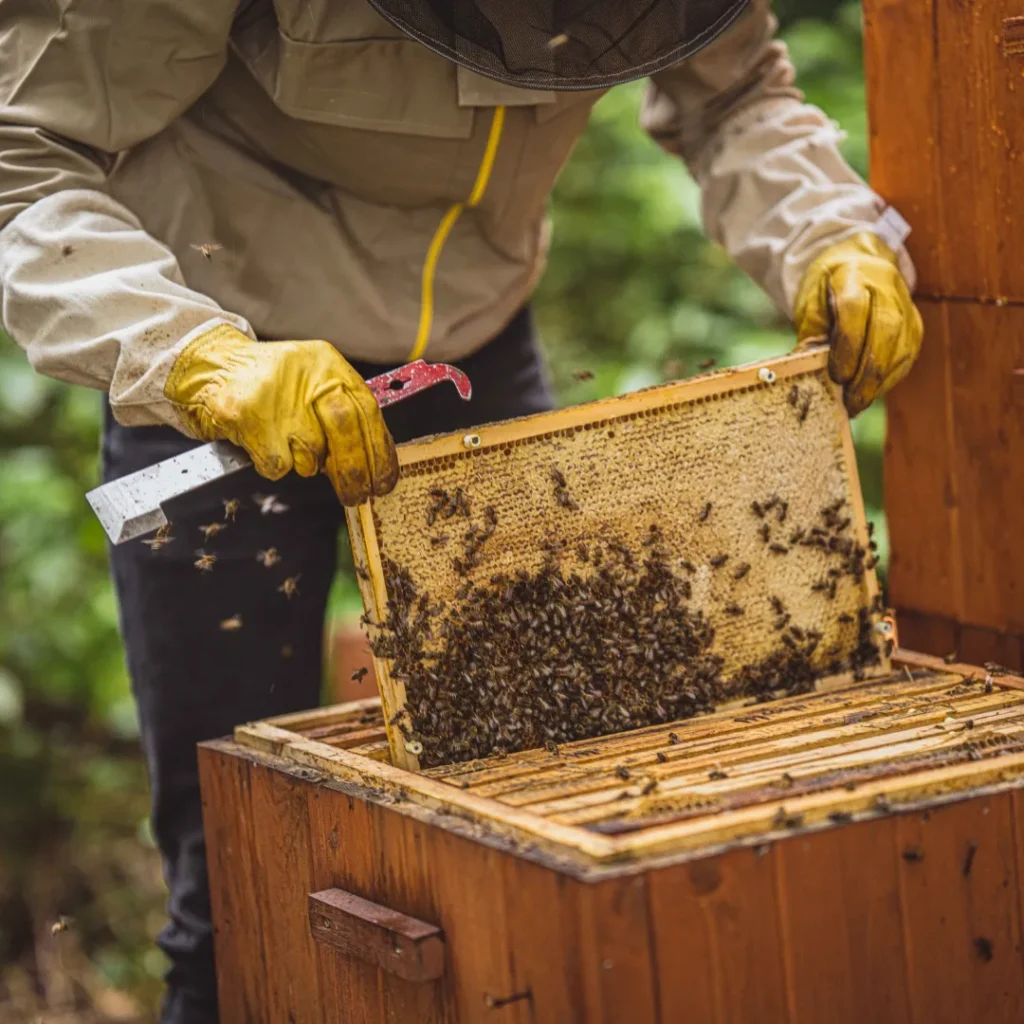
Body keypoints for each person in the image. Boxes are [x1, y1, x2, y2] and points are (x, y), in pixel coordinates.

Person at [0, 0, 923, 1018]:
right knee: (232, 879)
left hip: (469, 360)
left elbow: (736, 90)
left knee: (536, 814)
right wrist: (186, 356)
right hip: (215, 381)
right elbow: (23, 151)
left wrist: (830, 230)